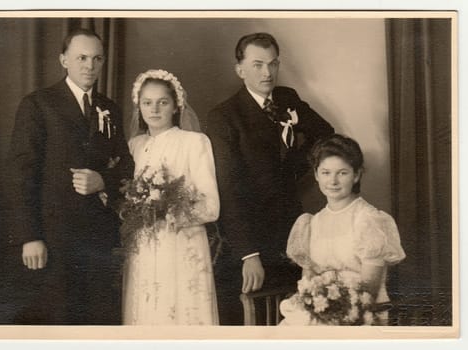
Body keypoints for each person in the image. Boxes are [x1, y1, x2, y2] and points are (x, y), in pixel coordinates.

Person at [205, 32, 334, 324]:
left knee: (294, 315)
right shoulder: (223, 117)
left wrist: (293, 166)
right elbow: (228, 189)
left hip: (291, 231)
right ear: (240, 69)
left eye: (273, 64)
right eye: (258, 64)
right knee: (254, 321)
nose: (267, 72)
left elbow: (326, 135)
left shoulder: (287, 98)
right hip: (249, 238)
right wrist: (248, 255)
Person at [7, 28, 134, 324]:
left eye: (97, 59)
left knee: (99, 319)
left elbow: (127, 166)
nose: (90, 66)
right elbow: (20, 175)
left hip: (100, 239)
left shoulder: (109, 109)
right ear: (64, 60)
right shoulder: (38, 104)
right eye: (81, 58)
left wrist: (103, 180)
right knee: (60, 318)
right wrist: (30, 236)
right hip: (54, 238)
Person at [122, 69, 220, 325]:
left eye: (162, 102)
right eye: (147, 103)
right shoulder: (134, 146)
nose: (154, 109)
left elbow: (211, 206)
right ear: (139, 106)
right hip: (144, 244)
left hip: (181, 243)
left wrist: (169, 208)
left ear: (176, 105)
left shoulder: (194, 142)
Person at [279, 134, 406, 325]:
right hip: (321, 312)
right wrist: (314, 305)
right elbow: (308, 281)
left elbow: (369, 290)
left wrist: (335, 311)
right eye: (326, 172)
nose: (333, 181)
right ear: (316, 174)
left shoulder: (369, 220)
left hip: (361, 314)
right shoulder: (311, 223)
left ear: (356, 175)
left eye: (342, 173)